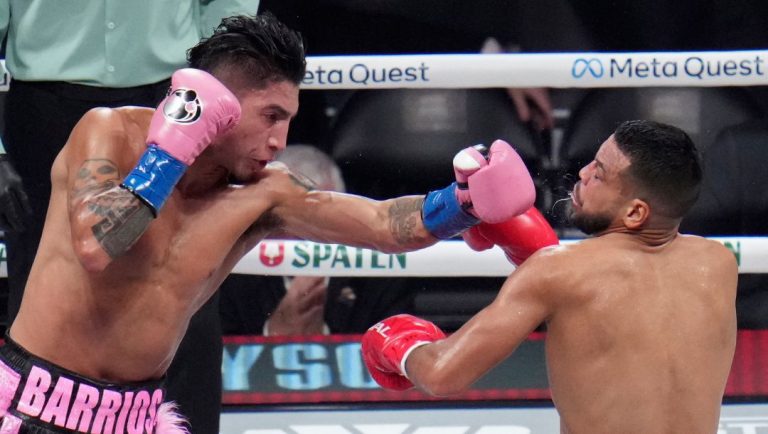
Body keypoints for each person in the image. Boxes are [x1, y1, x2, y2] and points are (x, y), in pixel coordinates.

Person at [0, 13, 549, 433]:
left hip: (140, 416)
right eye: (271, 117)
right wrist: (172, 149)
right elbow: (98, 244)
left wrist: (463, 202)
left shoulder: (264, 195)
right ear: (215, 103)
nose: (280, 142)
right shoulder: (109, 134)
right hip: (31, 407)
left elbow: (384, 225)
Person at [362, 120, 738, 434]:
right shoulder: (718, 264)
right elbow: (623, 302)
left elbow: (442, 374)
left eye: (600, 174)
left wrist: (400, 346)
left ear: (636, 213)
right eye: (593, 161)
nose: (584, 173)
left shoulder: (555, 270)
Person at [0, 2, 260, 432]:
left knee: (187, 291)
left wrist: (212, 76)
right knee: (43, 301)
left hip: (175, 98)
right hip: (43, 111)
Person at [219, 145, 414, 336]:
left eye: (320, 219)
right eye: (290, 219)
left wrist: (322, 336)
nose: (304, 233)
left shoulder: (379, 274)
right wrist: (274, 333)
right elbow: (217, 359)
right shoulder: (233, 273)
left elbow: (397, 354)